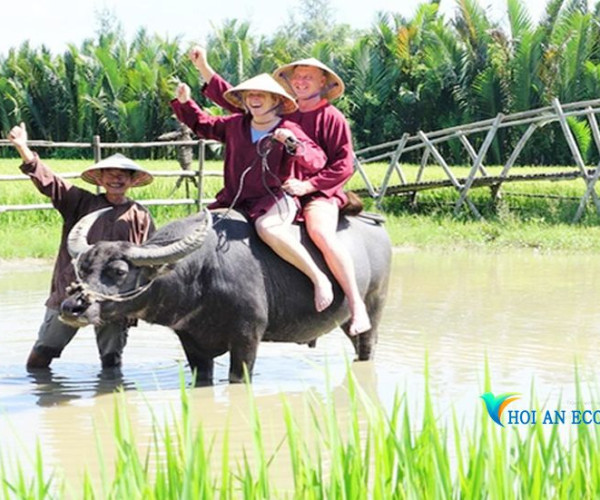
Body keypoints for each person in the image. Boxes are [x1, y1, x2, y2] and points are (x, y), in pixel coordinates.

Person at [189, 47, 371, 336]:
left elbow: (342, 164)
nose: (300, 81)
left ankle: (356, 305)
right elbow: (240, 101)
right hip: (276, 187)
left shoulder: (331, 117)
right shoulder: (279, 110)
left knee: (320, 233)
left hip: (315, 191)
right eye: (296, 77)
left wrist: (309, 185)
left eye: (308, 77)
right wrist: (204, 68)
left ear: (323, 82)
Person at [170, 74, 334, 311]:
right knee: (198, 229)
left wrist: (292, 144)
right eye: (249, 95)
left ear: (275, 100)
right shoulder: (235, 125)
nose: (254, 99)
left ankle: (318, 278)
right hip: (235, 199)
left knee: (268, 228)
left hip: (274, 198)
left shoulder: (289, 128)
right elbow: (203, 124)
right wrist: (185, 103)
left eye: (261, 95)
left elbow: (317, 160)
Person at [7, 123, 155, 370]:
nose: (116, 178)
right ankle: (44, 395)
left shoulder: (140, 216)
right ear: (100, 178)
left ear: (132, 180)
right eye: (110, 173)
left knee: (112, 363)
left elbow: (148, 261)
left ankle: (109, 402)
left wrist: (135, 303)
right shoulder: (80, 202)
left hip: (113, 298)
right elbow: (50, 183)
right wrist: (23, 148)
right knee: (40, 358)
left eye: (123, 174)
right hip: (71, 291)